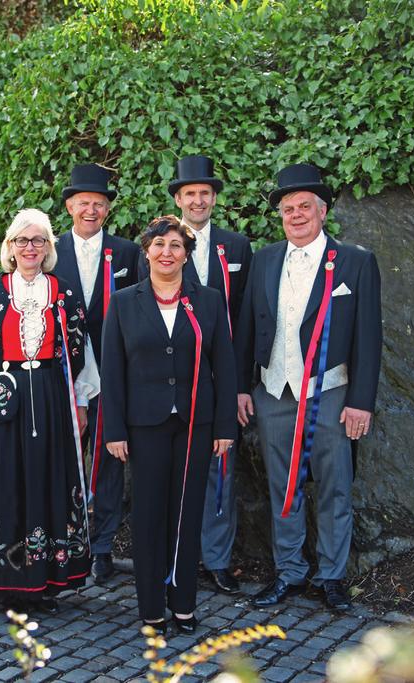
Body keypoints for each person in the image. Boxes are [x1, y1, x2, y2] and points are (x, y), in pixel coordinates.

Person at [234, 164, 382, 610]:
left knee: (335, 485)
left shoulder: (355, 262)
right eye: (287, 209)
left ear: (322, 211)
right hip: (274, 391)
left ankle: (332, 576)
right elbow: (245, 327)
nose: (295, 215)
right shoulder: (264, 259)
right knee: (283, 486)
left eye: (304, 207)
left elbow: (369, 338)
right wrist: (244, 387)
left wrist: (360, 402)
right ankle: (290, 572)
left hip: (330, 392)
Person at [0, 208, 99, 613]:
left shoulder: (64, 292)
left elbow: (80, 354)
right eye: (22, 240)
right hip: (6, 403)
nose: (30, 248)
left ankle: (47, 580)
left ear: (49, 247)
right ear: (10, 247)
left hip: (53, 400)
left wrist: (81, 401)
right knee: (9, 483)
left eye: (38, 241)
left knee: (50, 481)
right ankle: (10, 582)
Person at [101, 215, 237, 634]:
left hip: (197, 423)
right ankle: (151, 609)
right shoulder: (124, 302)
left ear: (186, 254)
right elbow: (112, 371)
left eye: (176, 245)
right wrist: (115, 430)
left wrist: (225, 427)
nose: (166, 252)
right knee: (148, 514)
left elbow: (226, 367)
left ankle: (183, 603)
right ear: (146, 252)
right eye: (158, 244)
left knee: (186, 511)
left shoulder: (209, 300)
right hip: (144, 425)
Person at [164, 155, 253, 595]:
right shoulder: (160, 244)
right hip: (168, 380)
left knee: (220, 469)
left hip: (218, 379)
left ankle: (216, 558)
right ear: (178, 199)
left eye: (204, 193)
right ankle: (175, 556)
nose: (197, 201)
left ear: (214, 198)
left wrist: (238, 387)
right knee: (169, 470)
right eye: (189, 194)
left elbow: (246, 318)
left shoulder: (235, 248)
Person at [51, 163, 140, 583]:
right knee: (63, 457)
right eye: (83, 203)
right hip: (60, 373)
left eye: (99, 204)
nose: (91, 210)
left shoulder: (125, 253)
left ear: (107, 210)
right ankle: (62, 540)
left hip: (111, 374)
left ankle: (102, 545)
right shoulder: (48, 251)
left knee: (108, 460)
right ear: (69, 206)